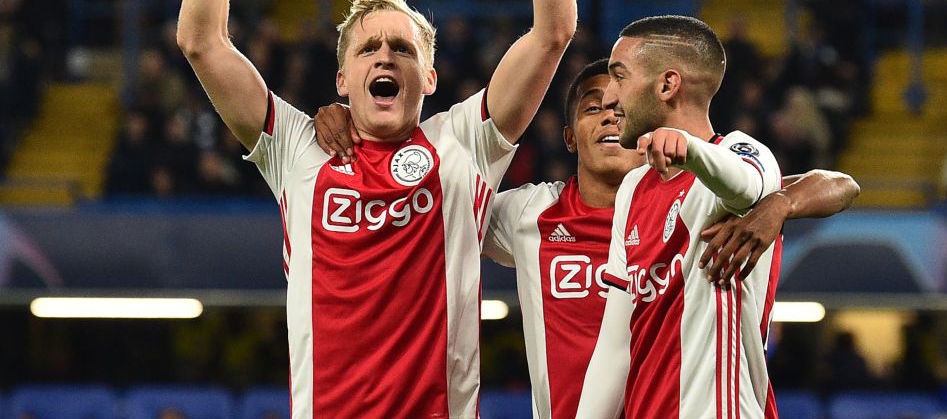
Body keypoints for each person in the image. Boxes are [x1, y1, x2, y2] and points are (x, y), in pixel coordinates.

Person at [176, 0, 576, 418]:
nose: (385, 57)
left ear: (432, 76)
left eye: (402, 48)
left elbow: (552, 33)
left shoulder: (463, 142)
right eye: (368, 48)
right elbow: (201, 42)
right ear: (343, 77)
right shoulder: (298, 148)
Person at [313, 58, 859, 418]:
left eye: (620, 108)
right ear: (571, 137)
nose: (608, 118)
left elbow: (837, 184)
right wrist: (355, 125)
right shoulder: (529, 214)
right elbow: (415, 204)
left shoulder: (702, 191)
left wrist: (782, 204)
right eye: (592, 109)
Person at [577, 15, 784, 418]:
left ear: (668, 85)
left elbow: (747, 185)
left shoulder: (741, 152)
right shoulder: (634, 190)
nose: (608, 99)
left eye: (620, 77)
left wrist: (689, 149)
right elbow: (617, 346)